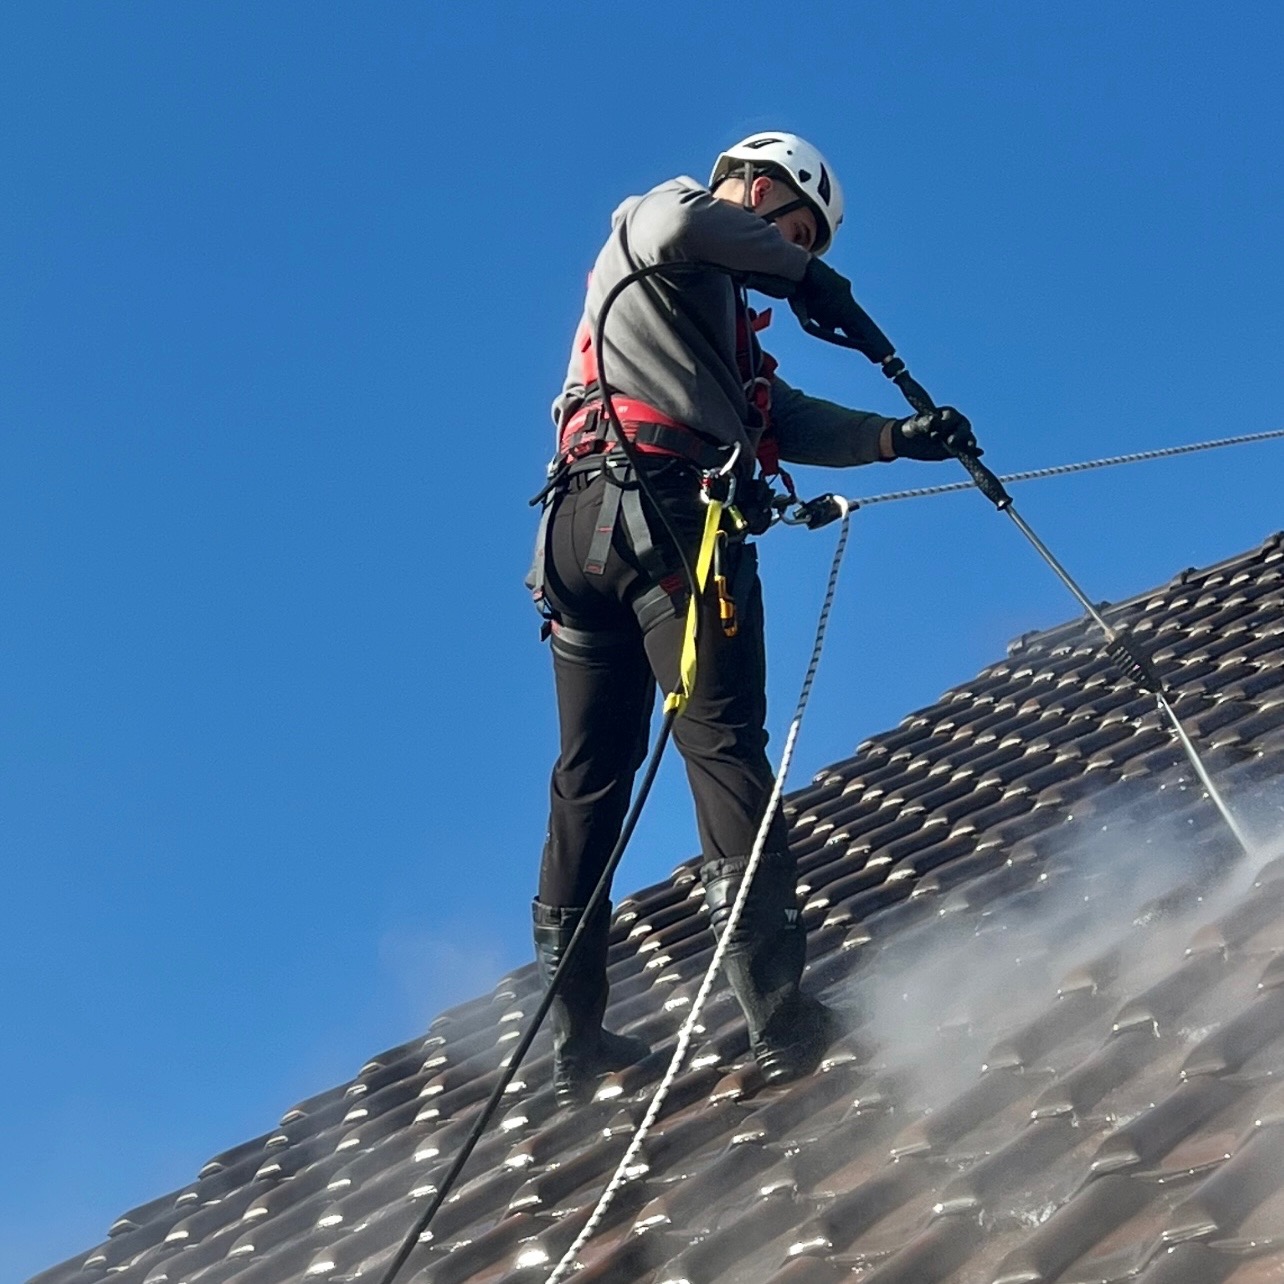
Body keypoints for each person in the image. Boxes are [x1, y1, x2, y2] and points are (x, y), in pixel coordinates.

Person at [526, 132, 977, 1106]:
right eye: (794, 231)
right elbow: (684, 220)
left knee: (587, 782)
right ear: (761, 191)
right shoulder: (670, 219)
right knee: (725, 747)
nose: (789, 263)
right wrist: (817, 279)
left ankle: (575, 1047)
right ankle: (782, 1021)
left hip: (579, 533)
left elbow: (783, 416)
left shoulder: (704, 320)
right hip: (668, 517)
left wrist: (898, 438)